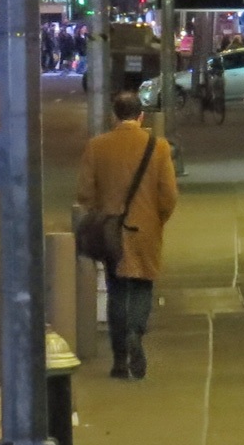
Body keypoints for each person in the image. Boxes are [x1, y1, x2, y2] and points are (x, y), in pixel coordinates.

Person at [75, 91, 180, 380]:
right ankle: (136, 332)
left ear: (114, 115)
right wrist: (157, 219)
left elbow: (84, 193)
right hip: (145, 228)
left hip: (111, 231)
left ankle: (119, 359)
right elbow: (169, 195)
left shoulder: (97, 147)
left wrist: (103, 210)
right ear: (141, 115)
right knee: (143, 285)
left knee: (116, 289)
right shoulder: (158, 148)